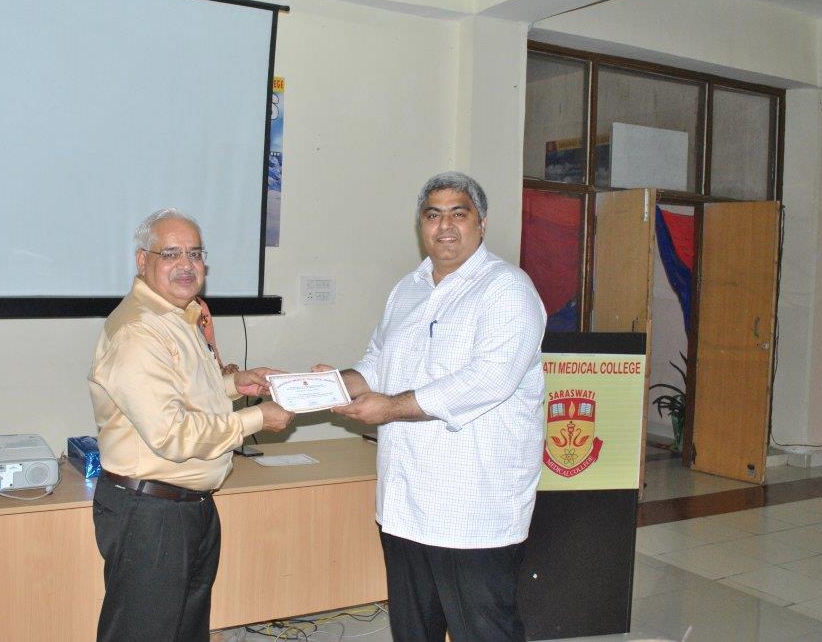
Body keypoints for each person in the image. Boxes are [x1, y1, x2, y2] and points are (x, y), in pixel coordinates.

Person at [315, 172, 546, 642]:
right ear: (420, 225)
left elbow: (488, 379)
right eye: (433, 215)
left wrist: (389, 409)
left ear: (481, 222)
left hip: (472, 506)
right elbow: (378, 363)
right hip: (405, 502)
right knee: (412, 630)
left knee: (484, 630)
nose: (445, 226)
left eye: (459, 214)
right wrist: (334, 385)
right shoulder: (408, 289)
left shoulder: (507, 289)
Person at [88, 208, 294, 642]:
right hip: (151, 515)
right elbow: (172, 433)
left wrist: (235, 384)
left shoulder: (178, 317)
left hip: (185, 508)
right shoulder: (138, 331)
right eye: (171, 254)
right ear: (142, 261)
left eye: (195, 253)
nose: (187, 265)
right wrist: (257, 417)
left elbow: (186, 394)